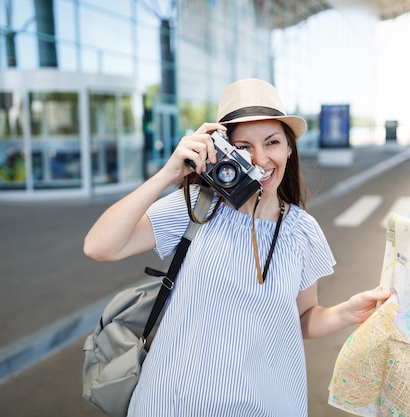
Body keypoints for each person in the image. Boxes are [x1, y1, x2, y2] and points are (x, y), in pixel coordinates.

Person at [84, 78, 390, 416]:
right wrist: (167, 174)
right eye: (243, 147)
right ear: (222, 151)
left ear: (289, 147)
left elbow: (302, 318)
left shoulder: (302, 231)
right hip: (174, 402)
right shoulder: (197, 207)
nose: (260, 159)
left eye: (272, 142)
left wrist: (347, 312)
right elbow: (99, 247)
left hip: (268, 405)